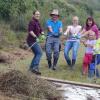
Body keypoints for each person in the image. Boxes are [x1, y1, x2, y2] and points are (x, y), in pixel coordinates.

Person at [27, 10, 44, 75]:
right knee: (39, 53)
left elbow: (41, 30)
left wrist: (42, 34)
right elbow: (30, 31)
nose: (38, 15)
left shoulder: (37, 22)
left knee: (37, 54)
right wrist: (36, 37)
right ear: (33, 15)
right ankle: (35, 67)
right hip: (31, 40)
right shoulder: (32, 22)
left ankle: (31, 68)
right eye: (36, 14)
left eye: (39, 14)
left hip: (35, 40)